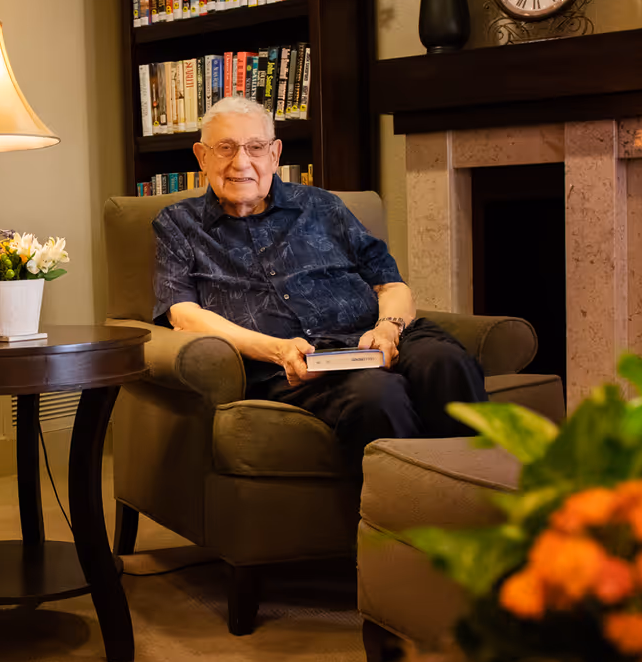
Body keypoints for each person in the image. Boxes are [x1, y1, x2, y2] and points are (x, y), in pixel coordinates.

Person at [152, 95, 486, 460]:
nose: (241, 162)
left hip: (375, 338)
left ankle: (478, 504)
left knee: (447, 364)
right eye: (226, 148)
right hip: (289, 367)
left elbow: (390, 283)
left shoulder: (323, 206)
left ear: (275, 154)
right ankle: (404, 510)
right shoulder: (178, 225)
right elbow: (182, 315)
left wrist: (389, 328)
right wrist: (277, 350)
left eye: (256, 147)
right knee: (378, 397)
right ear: (202, 156)